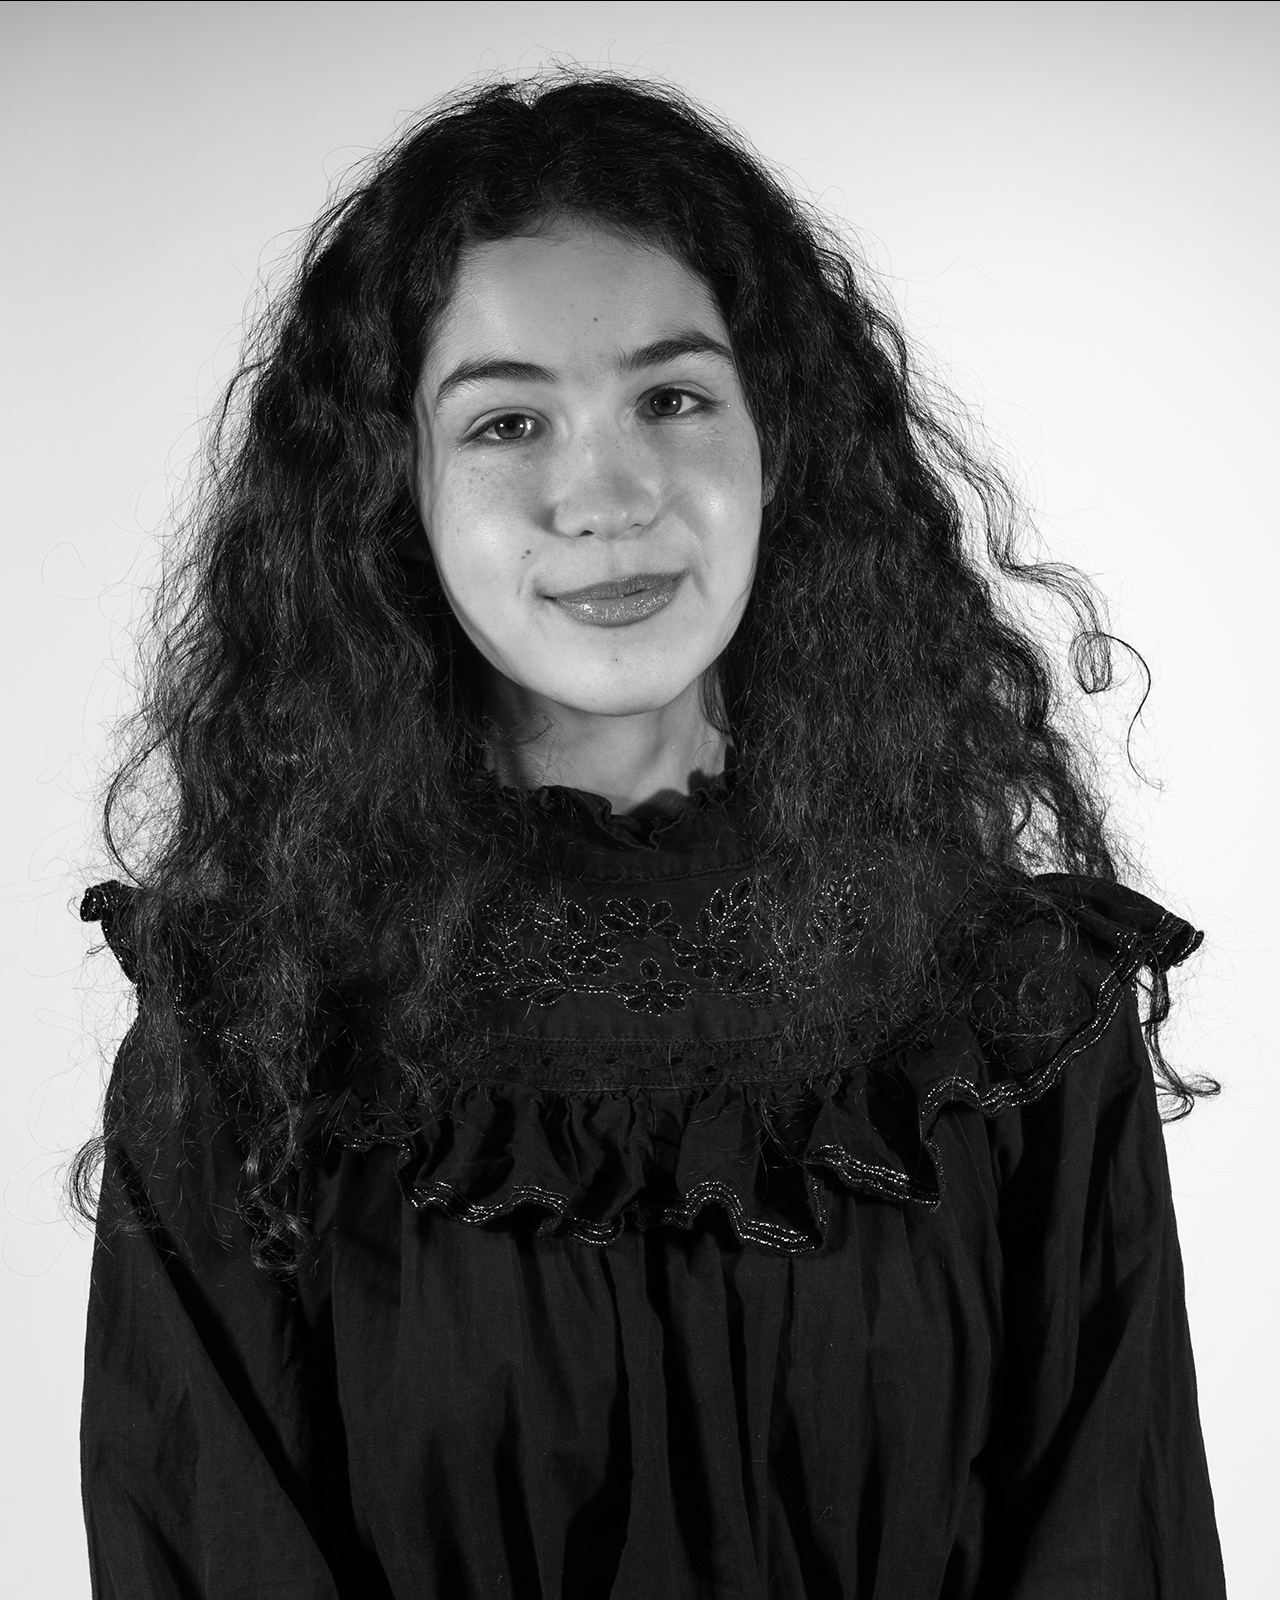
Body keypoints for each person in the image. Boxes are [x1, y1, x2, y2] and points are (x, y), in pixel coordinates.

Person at [75, 71, 1225, 1599]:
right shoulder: (251, 1027)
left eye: (673, 398)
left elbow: (1120, 1554)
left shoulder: (1016, 1013)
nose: (605, 495)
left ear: (778, 443)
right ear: (389, 493)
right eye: (505, 421)